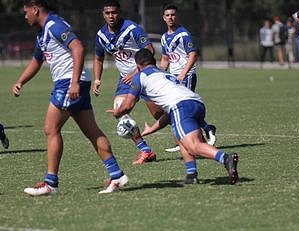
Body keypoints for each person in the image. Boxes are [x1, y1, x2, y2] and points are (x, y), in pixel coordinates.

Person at [12, 0, 128, 196]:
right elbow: (37, 60)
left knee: (51, 129)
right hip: (73, 82)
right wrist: (20, 81)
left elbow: (78, 48)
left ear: (35, 10)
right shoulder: (43, 33)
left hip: (69, 83)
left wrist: (74, 82)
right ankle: (116, 175)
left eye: (26, 12)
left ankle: (51, 183)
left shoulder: (54, 25)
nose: (25, 17)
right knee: (92, 131)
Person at [112, 48, 239, 184]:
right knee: (181, 137)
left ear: (137, 66)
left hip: (180, 106)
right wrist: (152, 129)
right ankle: (191, 175)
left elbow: (127, 106)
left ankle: (225, 158)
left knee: (194, 146)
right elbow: (170, 116)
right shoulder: (166, 74)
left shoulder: (140, 76)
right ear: (154, 61)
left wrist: (117, 113)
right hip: (197, 103)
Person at [93, 0, 159, 164]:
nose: (111, 16)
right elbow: (98, 58)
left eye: (114, 12)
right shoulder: (101, 35)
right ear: (103, 14)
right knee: (120, 111)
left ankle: (196, 135)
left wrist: (136, 71)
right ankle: (145, 150)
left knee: (161, 115)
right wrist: (96, 79)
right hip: (125, 80)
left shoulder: (132, 29)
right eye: (107, 13)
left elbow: (150, 50)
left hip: (146, 75)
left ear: (119, 13)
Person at [160, 3, 216, 152]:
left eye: (173, 14)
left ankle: (189, 141)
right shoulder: (164, 37)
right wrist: (160, 75)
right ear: (163, 18)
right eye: (168, 15)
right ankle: (205, 128)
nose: (170, 17)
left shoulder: (183, 34)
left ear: (177, 16)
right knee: (177, 108)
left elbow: (193, 55)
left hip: (187, 76)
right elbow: (166, 59)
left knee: (183, 107)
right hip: (173, 78)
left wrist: (183, 73)